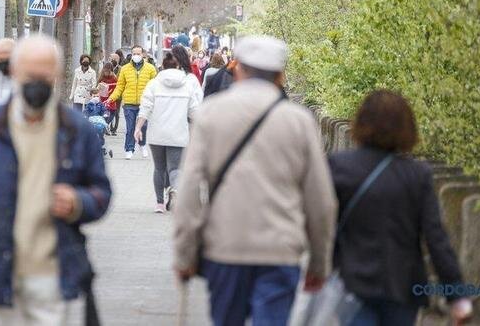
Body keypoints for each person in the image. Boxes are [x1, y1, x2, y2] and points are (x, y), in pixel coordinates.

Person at [0, 35, 112, 325]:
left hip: (51, 275)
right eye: (31, 75)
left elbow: (102, 193)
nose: (37, 82)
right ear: (15, 73)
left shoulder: (77, 131)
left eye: (45, 76)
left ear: (57, 75)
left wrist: (78, 202)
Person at [173, 35, 337, 326]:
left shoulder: (211, 113)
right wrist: (319, 262)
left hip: (225, 247)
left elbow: (188, 191)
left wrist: (185, 254)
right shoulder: (298, 121)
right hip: (280, 249)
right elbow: (321, 199)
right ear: (280, 75)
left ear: (238, 69)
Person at [328, 90, 472, 326]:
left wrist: (324, 266)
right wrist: (457, 294)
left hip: (352, 284)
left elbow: (324, 225)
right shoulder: (417, 175)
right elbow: (436, 239)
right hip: (403, 288)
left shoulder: (340, 166)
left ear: (361, 123)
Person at [134, 52, 200, 214]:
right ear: (178, 66)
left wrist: (137, 128)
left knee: (159, 168)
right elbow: (194, 111)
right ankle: (175, 189)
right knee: (175, 169)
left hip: (157, 134)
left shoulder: (154, 84)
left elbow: (145, 108)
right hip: (179, 134)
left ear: (163, 66)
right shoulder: (187, 85)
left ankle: (159, 204)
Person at [108, 45, 158, 160]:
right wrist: (111, 98)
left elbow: (155, 86)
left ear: (143, 55)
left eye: (138, 54)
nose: (136, 56)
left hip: (144, 103)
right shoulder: (125, 69)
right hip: (129, 103)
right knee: (130, 127)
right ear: (131, 55)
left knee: (143, 126)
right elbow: (120, 87)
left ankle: (142, 144)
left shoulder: (150, 69)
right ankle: (129, 149)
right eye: (134, 54)